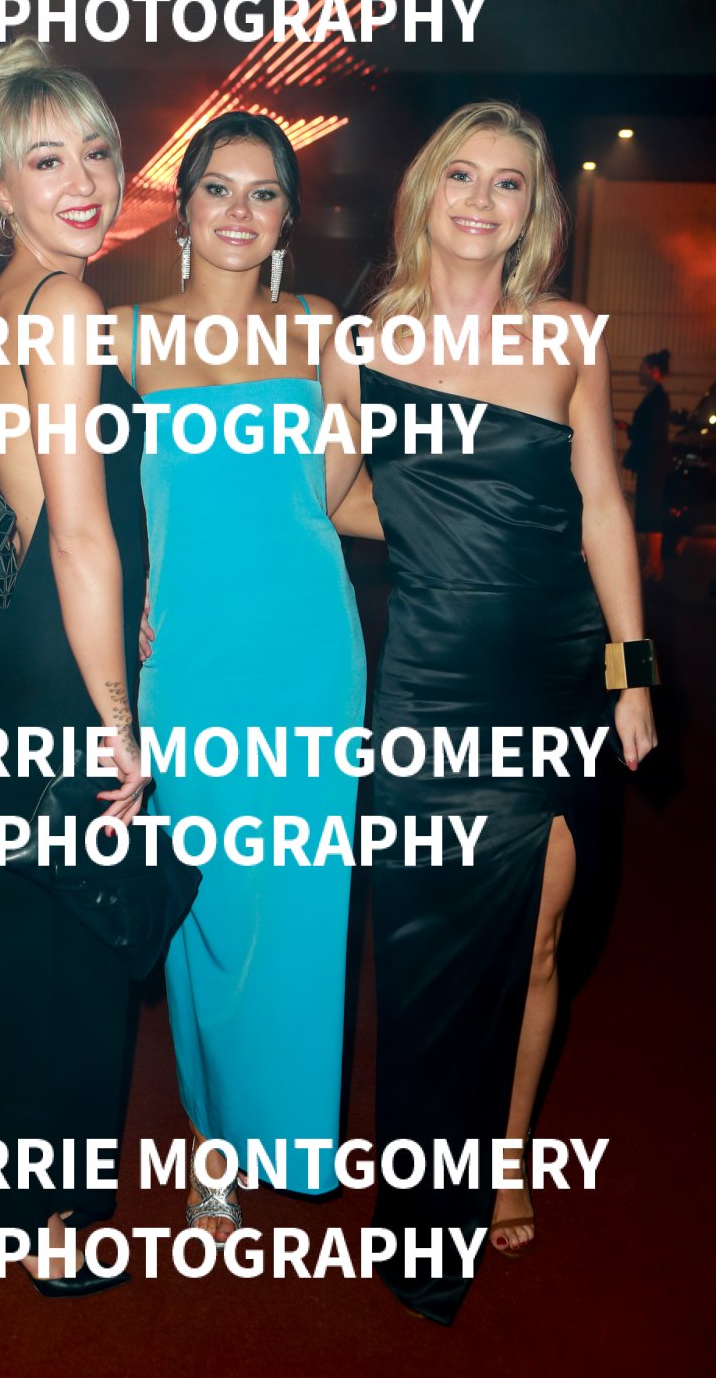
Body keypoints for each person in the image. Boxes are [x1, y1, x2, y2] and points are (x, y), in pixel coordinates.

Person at [332, 102, 657, 1323]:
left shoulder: (570, 333)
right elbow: (323, 502)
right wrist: (441, 534)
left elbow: (603, 507)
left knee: (538, 936)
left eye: (508, 182)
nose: (481, 199)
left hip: (559, 670)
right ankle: (425, 1185)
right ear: (426, 193)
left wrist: (632, 672)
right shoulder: (361, 346)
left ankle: (509, 1151)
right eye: (461, 175)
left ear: (535, 211)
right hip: (429, 683)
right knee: (422, 960)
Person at [122, 111, 367, 1240]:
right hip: (190, 660)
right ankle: (212, 1135)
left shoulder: (320, 330)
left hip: (310, 654)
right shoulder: (124, 338)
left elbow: (332, 493)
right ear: (182, 208)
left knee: (302, 903)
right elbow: (80, 504)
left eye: (263, 193)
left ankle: (287, 1130)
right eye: (217, 188)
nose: (238, 210)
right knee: (210, 903)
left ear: (286, 218)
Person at [0, 38, 146, 1295]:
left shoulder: (9, 299)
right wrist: (119, 716)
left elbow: (23, 521)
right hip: (65, 674)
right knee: (78, 950)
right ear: (1, 185)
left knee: (35, 940)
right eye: (47, 160)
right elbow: (76, 533)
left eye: (97, 153)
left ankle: (14, 1204)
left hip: (29, 654)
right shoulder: (67, 307)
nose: (84, 182)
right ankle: (59, 1223)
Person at [624, 348, 672, 581]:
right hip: (651, 462)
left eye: (642, 369)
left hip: (652, 463)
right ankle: (654, 562)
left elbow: (652, 433)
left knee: (651, 510)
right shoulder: (655, 397)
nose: (639, 373)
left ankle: (654, 563)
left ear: (654, 371)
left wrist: (632, 430)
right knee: (648, 509)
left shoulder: (658, 398)